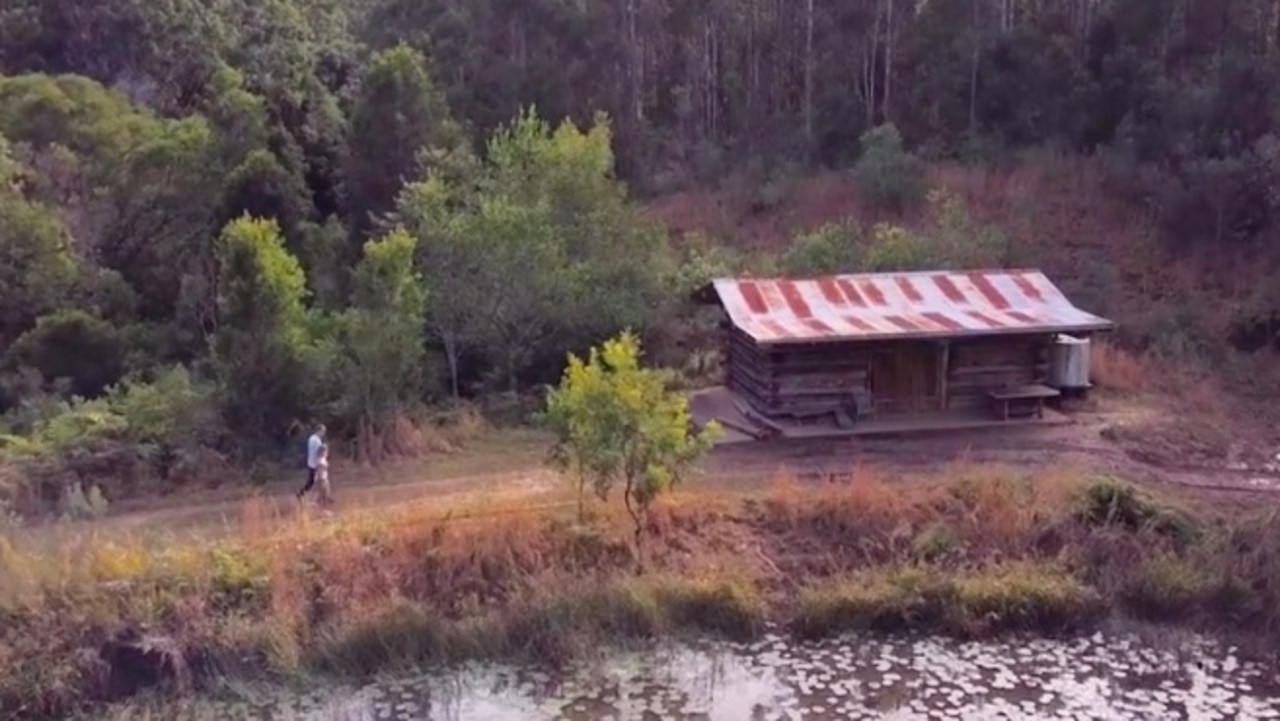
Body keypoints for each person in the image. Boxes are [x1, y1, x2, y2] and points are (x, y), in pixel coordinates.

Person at [297, 423, 325, 500]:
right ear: (319, 430)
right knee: (315, 481)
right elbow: (318, 451)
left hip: (312, 462)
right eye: (323, 431)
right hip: (315, 463)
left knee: (314, 481)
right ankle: (301, 493)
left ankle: (302, 493)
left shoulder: (312, 438)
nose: (323, 433)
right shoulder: (316, 440)